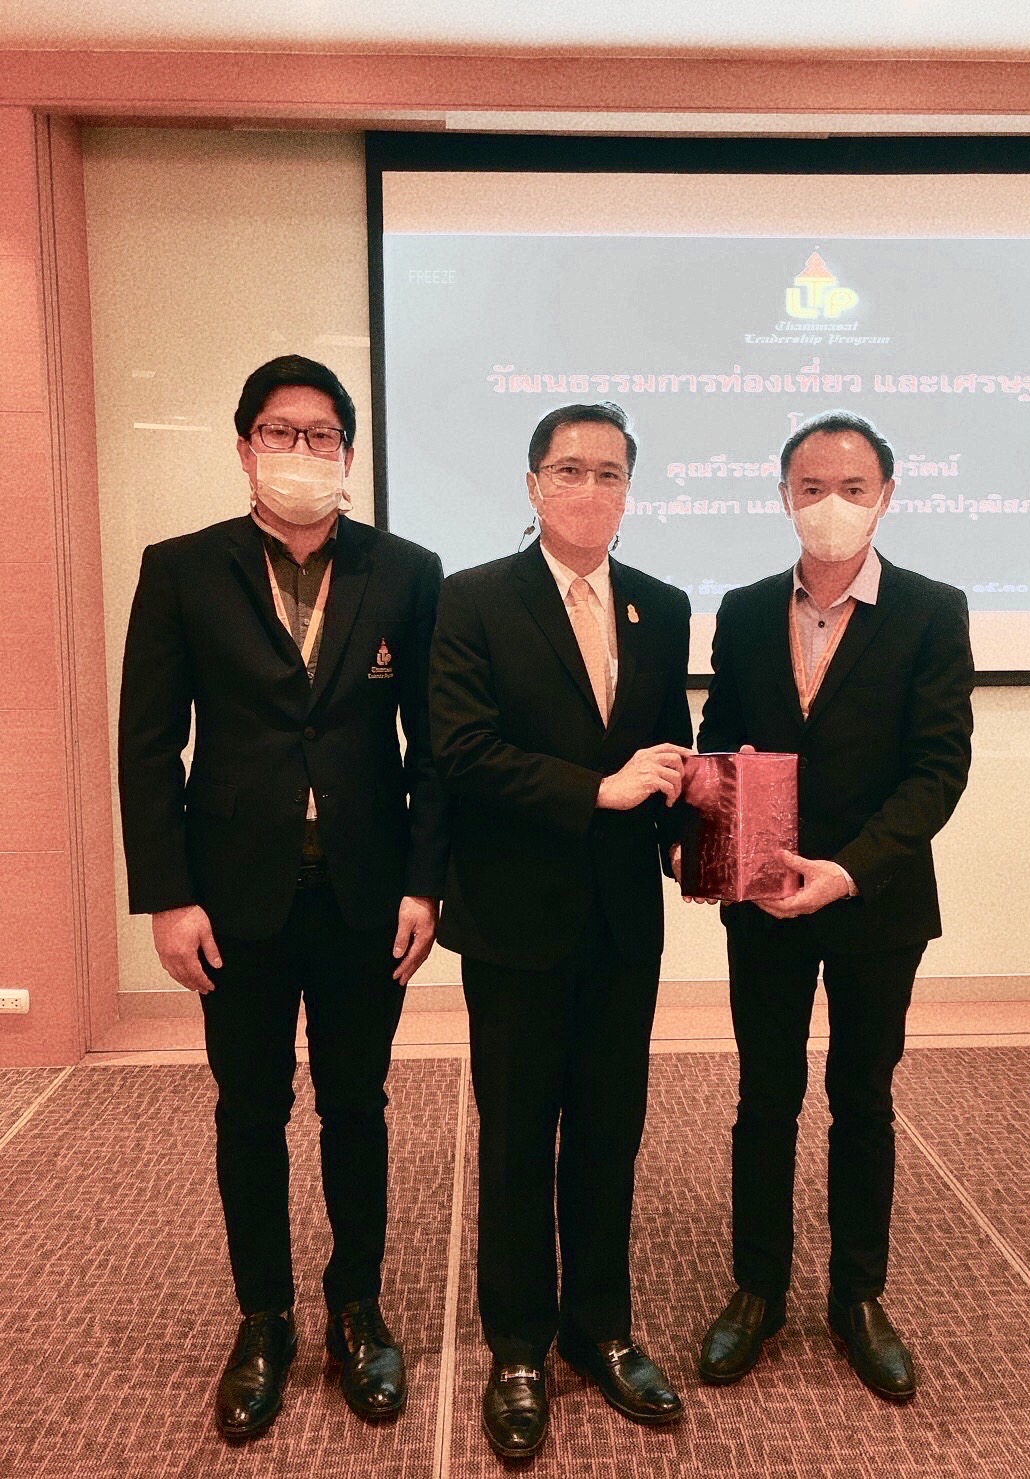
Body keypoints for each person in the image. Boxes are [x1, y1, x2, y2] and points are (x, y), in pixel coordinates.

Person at [118, 355, 447, 1440]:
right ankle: (263, 1319)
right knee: (249, 1110)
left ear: (346, 452)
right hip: (234, 898)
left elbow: (432, 747)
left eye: (321, 435)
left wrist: (424, 882)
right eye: (278, 431)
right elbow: (148, 745)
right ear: (244, 445)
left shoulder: (405, 571)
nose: (300, 451)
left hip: (365, 894)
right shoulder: (181, 568)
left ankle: (358, 1309)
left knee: (357, 1105)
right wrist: (167, 896)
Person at [694, 410, 974, 1402]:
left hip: (873, 902)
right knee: (763, 1097)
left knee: (861, 1098)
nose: (830, 505)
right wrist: (711, 843)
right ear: (783, 496)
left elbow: (937, 769)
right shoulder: (741, 609)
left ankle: (856, 1297)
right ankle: (756, 1290)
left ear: (885, 497)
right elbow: (721, 738)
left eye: (852, 488)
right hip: (764, 901)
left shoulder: (932, 610)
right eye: (810, 487)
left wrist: (847, 869)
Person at [430, 403, 692, 1458]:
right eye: (570, 469)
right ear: (532, 483)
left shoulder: (661, 605)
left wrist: (696, 841)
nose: (590, 489)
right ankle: (517, 1347)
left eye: (609, 472)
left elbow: (667, 751)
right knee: (514, 1137)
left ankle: (600, 1327)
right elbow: (461, 749)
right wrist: (599, 790)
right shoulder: (472, 599)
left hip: (623, 923)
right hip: (514, 919)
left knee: (608, 1132)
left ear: (630, 491)